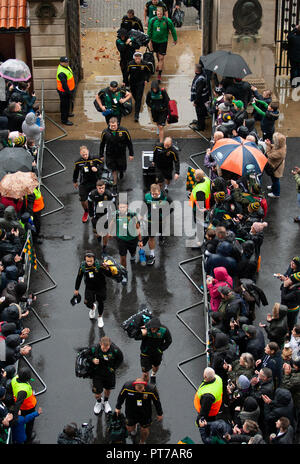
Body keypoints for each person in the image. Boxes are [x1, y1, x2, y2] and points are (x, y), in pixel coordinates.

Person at [115, 377, 163, 444]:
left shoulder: (151, 389)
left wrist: (160, 413)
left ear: (144, 385)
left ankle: (142, 441)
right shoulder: (127, 387)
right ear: (135, 386)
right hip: (131, 412)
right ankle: (134, 427)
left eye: (142, 388)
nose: (141, 391)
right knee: (130, 428)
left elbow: (157, 401)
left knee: (144, 430)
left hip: (145, 413)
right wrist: (118, 407)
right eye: (138, 389)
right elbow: (121, 397)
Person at [86, 336, 124, 415]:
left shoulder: (115, 350)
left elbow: (120, 359)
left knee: (108, 389)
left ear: (109, 345)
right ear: (100, 344)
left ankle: (106, 402)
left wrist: (114, 368)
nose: (105, 350)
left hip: (109, 374)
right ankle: (99, 402)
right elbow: (86, 355)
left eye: (107, 348)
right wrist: (93, 360)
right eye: (103, 348)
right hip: (97, 374)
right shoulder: (94, 348)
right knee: (97, 393)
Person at [99, 117, 134, 194]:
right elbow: (102, 144)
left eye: (114, 125)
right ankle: (115, 185)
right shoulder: (105, 132)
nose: (113, 127)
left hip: (121, 154)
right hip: (110, 154)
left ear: (117, 123)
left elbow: (129, 143)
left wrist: (131, 154)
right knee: (114, 170)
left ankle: (121, 171)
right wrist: (101, 154)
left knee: (121, 167)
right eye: (112, 125)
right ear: (109, 124)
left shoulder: (124, 131)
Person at [73, 251, 108, 328]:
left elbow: (108, 274)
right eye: (87, 261)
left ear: (94, 260)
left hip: (100, 287)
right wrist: (76, 289)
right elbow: (79, 277)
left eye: (90, 261)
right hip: (89, 287)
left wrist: (106, 268)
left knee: (100, 301)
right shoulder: (83, 266)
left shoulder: (100, 265)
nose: (89, 263)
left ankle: (100, 317)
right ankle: (93, 307)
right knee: (87, 303)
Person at [134, 316, 172, 383]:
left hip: (157, 353)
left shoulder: (164, 330)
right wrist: (143, 334)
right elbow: (136, 337)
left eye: (155, 329)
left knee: (155, 366)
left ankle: (153, 374)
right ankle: (146, 387)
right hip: (145, 353)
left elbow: (169, 341)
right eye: (152, 328)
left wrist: (161, 349)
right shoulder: (145, 327)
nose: (153, 330)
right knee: (145, 373)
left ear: (158, 327)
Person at [108, 201, 143, 271]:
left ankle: (133, 256)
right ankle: (124, 272)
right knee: (123, 257)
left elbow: (138, 228)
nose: (122, 209)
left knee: (133, 252)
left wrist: (140, 240)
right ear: (118, 207)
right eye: (120, 207)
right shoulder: (116, 214)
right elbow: (112, 223)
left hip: (132, 238)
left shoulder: (133, 215)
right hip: (121, 239)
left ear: (127, 206)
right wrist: (110, 232)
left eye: (124, 207)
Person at [73, 145, 103, 223]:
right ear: (80, 154)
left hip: (94, 181)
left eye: (86, 154)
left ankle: (97, 212)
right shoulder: (78, 162)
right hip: (84, 183)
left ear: (88, 152)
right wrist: (75, 181)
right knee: (83, 199)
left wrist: (97, 169)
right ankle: (86, 211)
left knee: (97, 197)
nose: (85, 156)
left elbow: (102, 165)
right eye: (83, 155)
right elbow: (75, 172)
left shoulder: (95, 158)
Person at [147, 6, 177, 81]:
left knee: (161, 57)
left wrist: (175, 39)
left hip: (163, 42)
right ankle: (159, 64)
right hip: (154, 41)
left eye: (160, 14)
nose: (159, 15)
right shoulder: (152, 20)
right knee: (157, 55)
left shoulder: (167, 21)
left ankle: (159, 74)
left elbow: (173, 30)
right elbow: (149, 31)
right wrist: (149, 41)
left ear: (163, 14)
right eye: (158, 14)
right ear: (156, 13)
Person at [142, 183, 168, 265]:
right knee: (151, 237)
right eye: (152, 193)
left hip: (161, 220)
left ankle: (161, 236)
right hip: (151, 220)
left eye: (156, 194)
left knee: (161, 232)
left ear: (159, 191)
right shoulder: (147, 197)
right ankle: (152, 254)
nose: (154, 195)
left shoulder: (164, 196)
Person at [9, 368, 38, 443]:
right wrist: (15, 419)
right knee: (29, 424)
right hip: (27, 408)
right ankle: (29, 439)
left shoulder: (14, 379)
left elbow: (10, 391)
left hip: (23, 407)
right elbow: (18, 403)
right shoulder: (23, 391)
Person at [87, 179, 114, 254]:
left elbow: (113, 206)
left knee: (105, 234)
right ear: (96, 187)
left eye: (103, 188)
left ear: (104, 187)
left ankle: (104, 247)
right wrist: (91, 215)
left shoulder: (108, 194)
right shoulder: (92, 194)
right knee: (97, 233)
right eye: (99, 188)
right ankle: (98, 237)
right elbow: (90, 205)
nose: (101, 190)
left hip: (106, 215)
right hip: (96, 216)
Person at [127, 51, 152, 122]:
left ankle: (136, 115)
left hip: (140, 83)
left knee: (139, 98)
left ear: (141, 58)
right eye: (136, 57)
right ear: (134, 57)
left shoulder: (145, 64)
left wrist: (146, 79)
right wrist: (125, 81)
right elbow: (126, 73)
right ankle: (138, 103)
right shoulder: (130, 64)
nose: (138, 58)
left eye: (139, 57)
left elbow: (148, 72)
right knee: (135, 96)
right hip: (132, 83)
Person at [264, 132, 286, 199]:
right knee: (274, 179)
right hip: (277, 166)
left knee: (276, 180)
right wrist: (270, 144)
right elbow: (274, 147)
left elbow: (268, 155)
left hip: (275, 167)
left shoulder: (279, 153)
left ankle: (276, 193)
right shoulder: (282, 145)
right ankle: (273, 187)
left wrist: (267, 145)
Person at [190, 63, 210, 132]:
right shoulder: (202, 75)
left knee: (200, 113)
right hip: (203, 99)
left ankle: (201, 126)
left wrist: (196, 101)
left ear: (197, 70)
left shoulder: (200, 80)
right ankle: (199, 122)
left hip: (201, 100)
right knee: (201, 112)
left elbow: (199, 93)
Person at [56, 56, 75, 126]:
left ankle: (67, 114)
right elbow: (64, 85)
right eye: (65, 62)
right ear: (61, 63)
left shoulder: (65, 67)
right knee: (65, 106)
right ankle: (64, 120)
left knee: (66, 105)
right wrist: (69, 93)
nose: (67, 63)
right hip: (64, 92)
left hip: (68, 90)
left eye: (67, 61)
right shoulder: (61, 72)